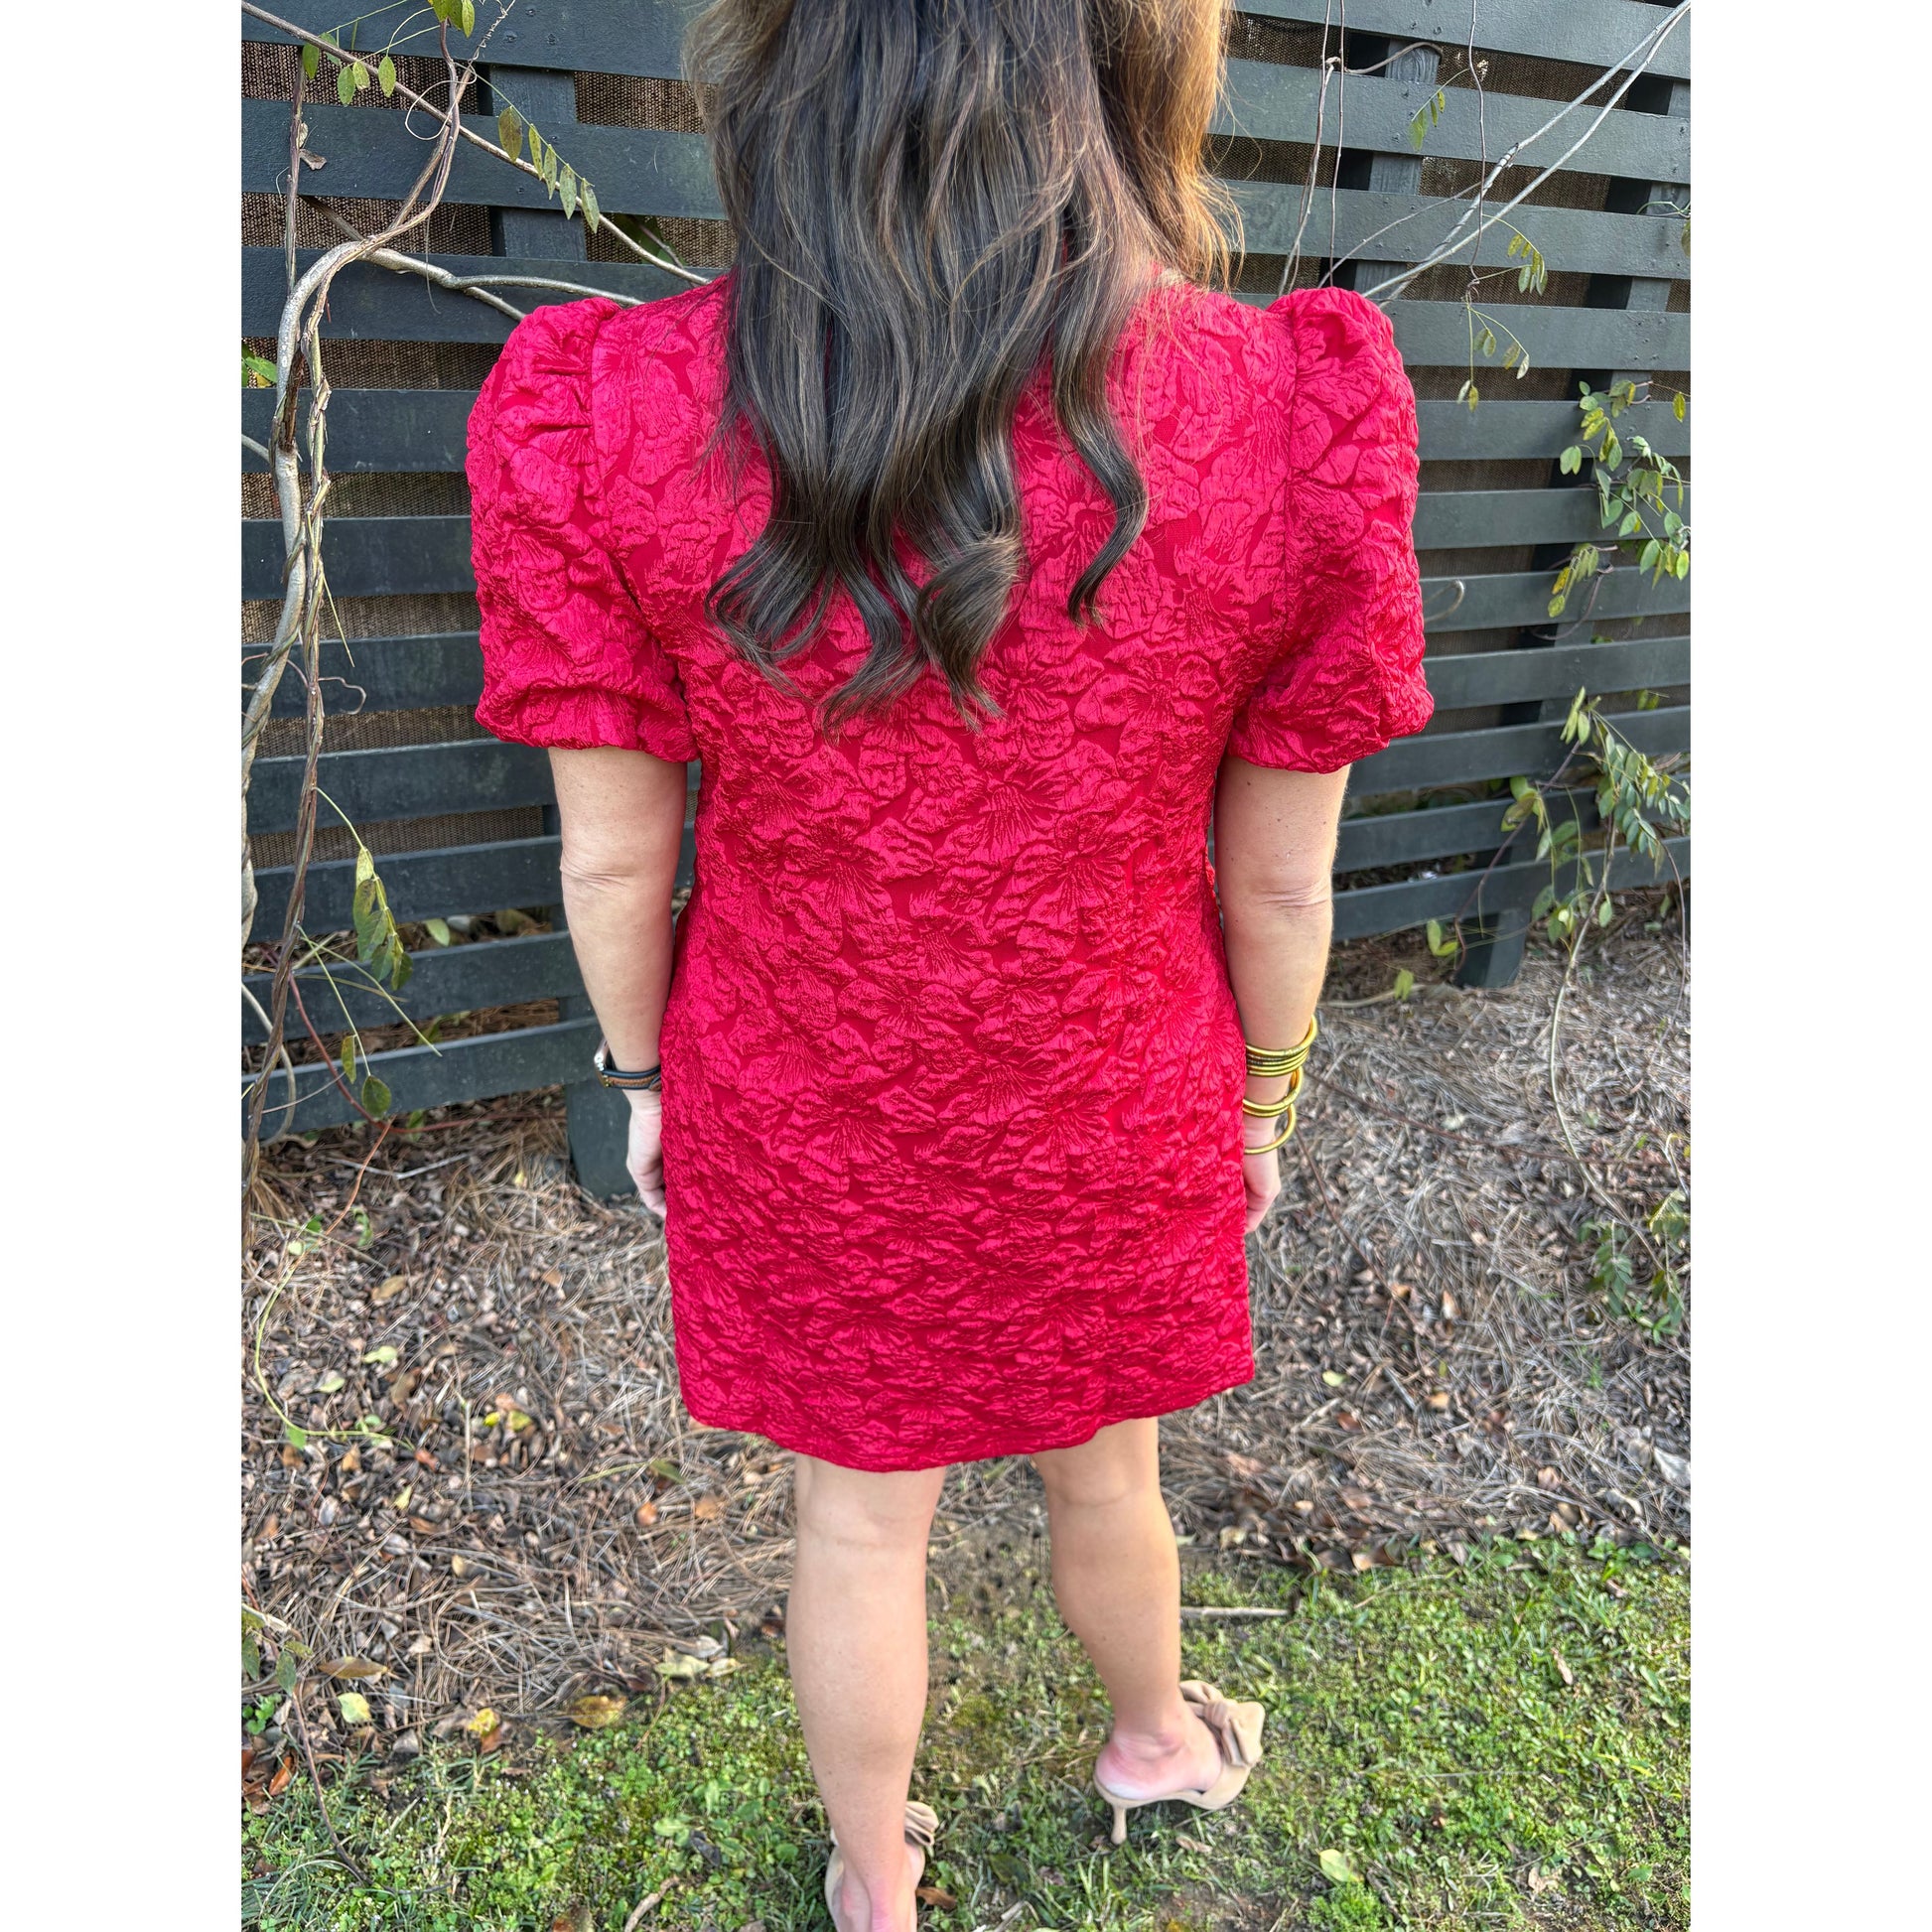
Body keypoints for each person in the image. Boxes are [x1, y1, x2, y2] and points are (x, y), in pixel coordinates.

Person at [468, 1, 1432, 1923]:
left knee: (855, 1518)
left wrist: (646, 1078)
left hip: (798, 1096)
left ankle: (874, 1879)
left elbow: (612, 846)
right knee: (1106, 1469)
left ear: (781, 76)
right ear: (1131, 68)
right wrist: (1263, 1095)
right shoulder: (1279, 407)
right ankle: (1156, 1733)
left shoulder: (618, 406)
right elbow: (1278, 891)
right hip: (1112, 1084)